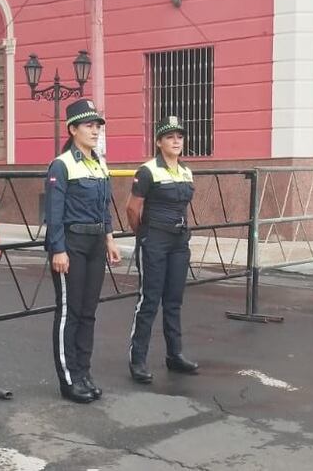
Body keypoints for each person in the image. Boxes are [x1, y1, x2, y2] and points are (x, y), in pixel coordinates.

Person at [45, 99, 121, 404]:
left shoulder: (99, 163)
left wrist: (110, 239)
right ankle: (68, 378)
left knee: (88, 312)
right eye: (89, 125)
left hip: (94, 245)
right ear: (72, 129)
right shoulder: (62, 164)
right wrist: (58, 250)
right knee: (69, 312)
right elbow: (53, 212)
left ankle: (84, 372)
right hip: (71, 245)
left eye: (97, 126)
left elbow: (104, 207)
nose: (95, 131)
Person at [125, 116, 198, 384]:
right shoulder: (147, 171)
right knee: (149, 300)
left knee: (174, 301)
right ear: (159, 142)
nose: (176, 141)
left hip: (179, 242)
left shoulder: (186, 171)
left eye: (179, 136)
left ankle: (174, 355)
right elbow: (132, 208)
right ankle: (138, 360)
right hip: (154, 239)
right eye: (170, 137)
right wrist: (143, 235)